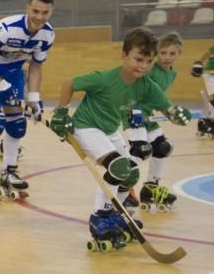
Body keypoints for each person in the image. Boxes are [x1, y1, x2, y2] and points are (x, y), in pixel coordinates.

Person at [49, 27, 191, 250]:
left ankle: (116, 213)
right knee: (119, 167)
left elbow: (166, 107)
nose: (143, 66)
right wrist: (61, 112)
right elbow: (69, 84)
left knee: (131, 173)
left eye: (148, 61)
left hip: (109, 129)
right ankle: (100, 216)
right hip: (86, 127)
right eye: (138, 59)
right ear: (124, 55)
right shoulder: (105, 79)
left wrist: (176, 115)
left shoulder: (146, 85)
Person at [0, 0, 55, 202]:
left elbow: (36, 65)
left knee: (17, 125)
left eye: (45, 13)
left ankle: (9, 171)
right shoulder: (6, 28)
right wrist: (0, 84)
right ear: (27, 8)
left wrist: (34, 97)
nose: (39, 17)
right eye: (35, 11)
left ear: (50, 12)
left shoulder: (48, 35)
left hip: (15, 72)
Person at [125, 31, 182, 213]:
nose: (167, 57)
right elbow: (135, 88)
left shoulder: (171, 74)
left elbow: (158, 98)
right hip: (134, 113)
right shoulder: (151, 71)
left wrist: (173, 114)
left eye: (172, 54)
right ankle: (123, 188)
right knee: (140, 150)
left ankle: (151, 187)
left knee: (163, 147)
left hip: (148, 116)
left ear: (179, 54)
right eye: (163, 53)